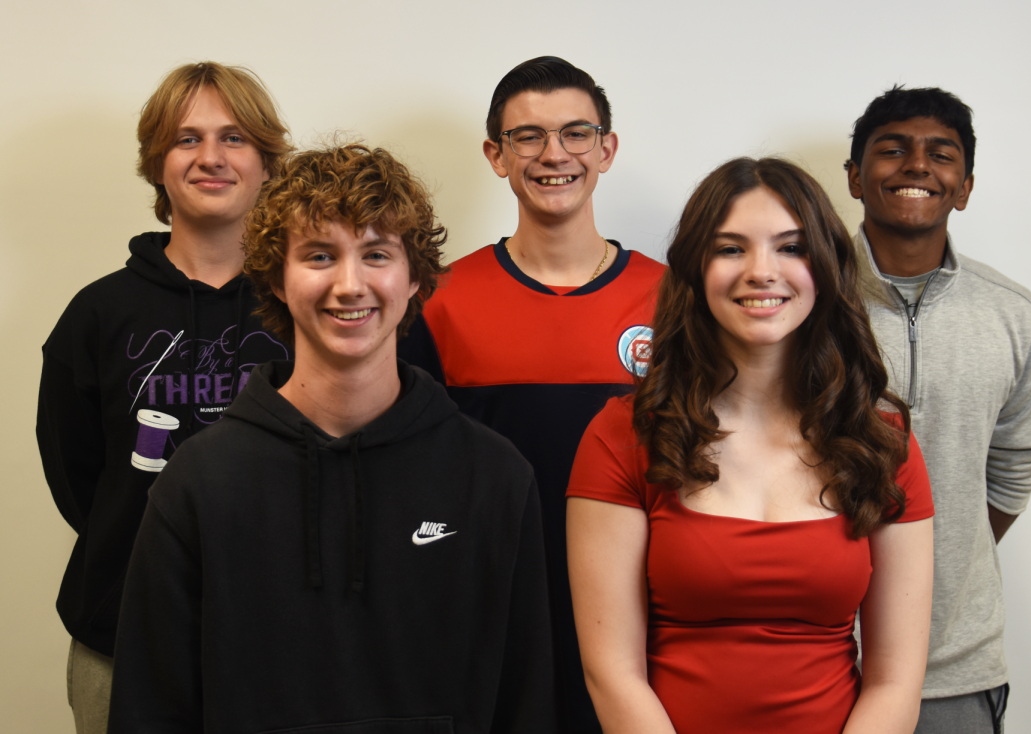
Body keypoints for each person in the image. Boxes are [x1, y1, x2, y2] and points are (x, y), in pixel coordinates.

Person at [107, 143, 557, 733]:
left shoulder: (494, 476)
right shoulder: (199, 481)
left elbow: (527, 703)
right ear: (274, 276)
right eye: (320, 255)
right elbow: (151, 708)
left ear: (416, 277)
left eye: (376, 254)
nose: (350, 284)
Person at [567, 157, 935, 734]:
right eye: (730, 249)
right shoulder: (623, 437)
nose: (762, 271)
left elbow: (896, 680)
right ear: (694, 268)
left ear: (827, 267)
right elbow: (612, 671)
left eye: (791, 247)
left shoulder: (881, 444)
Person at [398, 56, 664, 733]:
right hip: (492, 615)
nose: (555, 155)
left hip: (645, 620)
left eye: (577, 133)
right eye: (528, 136)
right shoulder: (438, 301)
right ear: (496, 154)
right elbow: (413, 477)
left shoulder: (674, 300)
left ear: (606, 149)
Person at [36, 61, 291, 734]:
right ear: (157, 163)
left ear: (267, 161)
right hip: (122, 635)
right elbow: (82, 484)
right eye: (187, 139)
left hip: (285, 640)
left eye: (234, 138)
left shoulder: (311, 304)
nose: (211, 156)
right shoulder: (95, 315)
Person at [845, 86, 1031, 734]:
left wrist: (932, 562)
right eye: (892, 150)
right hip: (814, 656)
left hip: (957, 669)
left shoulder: (1014, 315)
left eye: (941, 154)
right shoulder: (796, 303)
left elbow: (1015, 467)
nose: (916, 166)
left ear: (963, 186)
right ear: (854, 177)